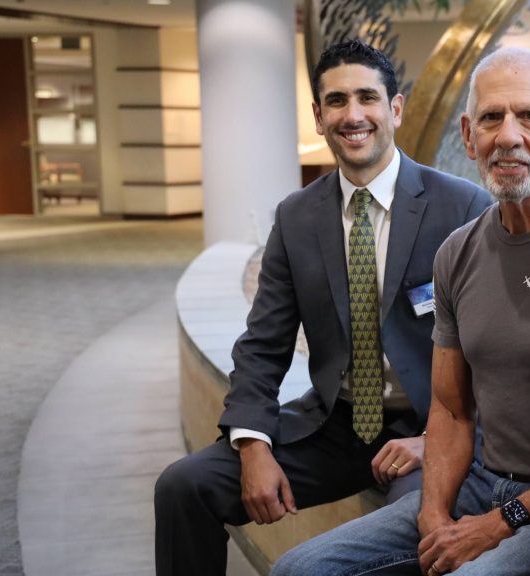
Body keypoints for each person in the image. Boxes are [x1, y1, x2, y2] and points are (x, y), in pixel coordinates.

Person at [270, 47, 530, 576]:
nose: (508, 136)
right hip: (478, 485)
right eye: (491, 118)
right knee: (296, 570)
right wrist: (434, 514)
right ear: (468, 135)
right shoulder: (458, 253)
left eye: (529, 116)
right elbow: (451, 411)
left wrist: (502, 520)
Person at [154, 39, 491, 576]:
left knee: (416, 523)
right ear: (318, 116)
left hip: (429, 430)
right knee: (183, 485)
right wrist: (253, 443)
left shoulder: (463, 207)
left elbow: (496, 355)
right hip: (335, 426)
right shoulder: (296, 218)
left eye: (367, 98)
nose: (352, 115)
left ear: (395, 109)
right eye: (336, 101)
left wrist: (435, 439)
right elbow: (263, 345)